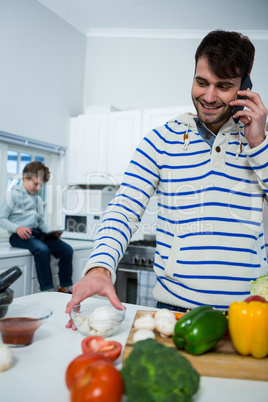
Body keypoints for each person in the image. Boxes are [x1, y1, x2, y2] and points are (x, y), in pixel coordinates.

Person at [66, 29, 268, 326]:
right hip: (173, 312)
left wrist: (259, 145)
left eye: (223, 86)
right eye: (201, 82)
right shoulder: (160, 141)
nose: (208, 97)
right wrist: (100, 267)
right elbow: (124, 209)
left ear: (245, 84)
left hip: (249, 314)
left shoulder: (260, 141)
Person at [0, 161, 73, 293]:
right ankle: (48, 289)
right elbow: (1, 218)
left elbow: (40, 222)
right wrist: (17, 228)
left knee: (67, 249)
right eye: (36, 184)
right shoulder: (12, 195)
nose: (38, 188)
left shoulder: (37, 199)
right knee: (42, 250)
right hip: (19, 235)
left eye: (41, 185)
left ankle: (65, 287)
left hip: (37, 233)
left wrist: (51, 232)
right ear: (25, 178)